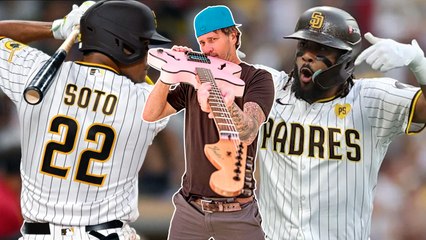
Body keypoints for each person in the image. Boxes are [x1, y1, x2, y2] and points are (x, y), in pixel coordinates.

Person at [0, 0, 171, 239]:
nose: (148, 58)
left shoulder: (36, 72)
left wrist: (56, 28)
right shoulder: (144, 99)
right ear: (125, 47)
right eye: (144, 46)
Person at [256, 5, 426, 240]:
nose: (307, 55)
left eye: (320, 49)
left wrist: (419, 64)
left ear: (345, 58)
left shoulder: (370, 98)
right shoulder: (268, 87)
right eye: (303, 45)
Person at [142, 5, 275, 240]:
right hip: (190, 208)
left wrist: (227, 104)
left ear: (233, 36)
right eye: (201, 43)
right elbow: (151, 114)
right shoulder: (194, 77)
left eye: (213, 39)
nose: (207, 49)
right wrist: (169, 72)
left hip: (238, 210)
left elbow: (250, 130)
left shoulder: (257, 78)